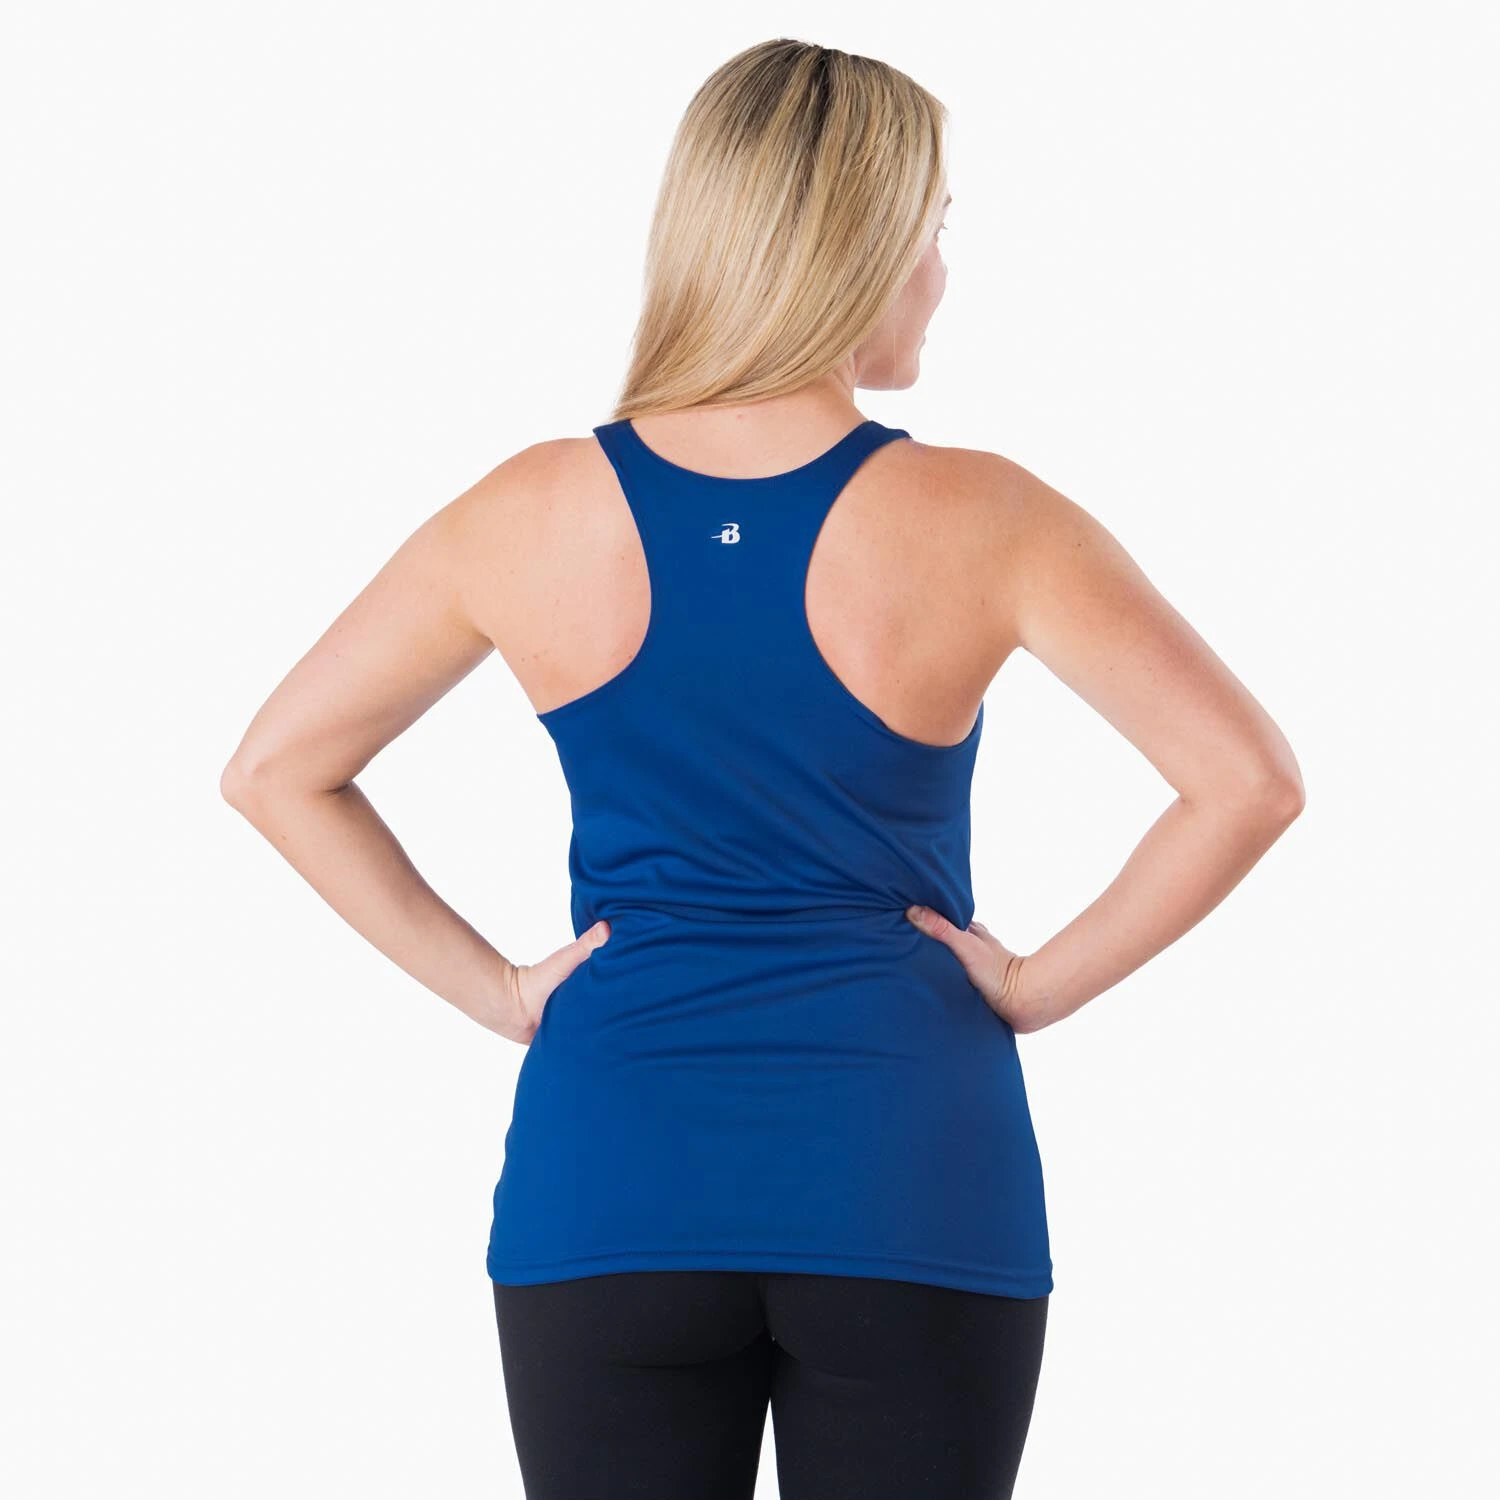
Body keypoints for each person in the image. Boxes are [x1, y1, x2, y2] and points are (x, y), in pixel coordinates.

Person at [221, 36, 1305, 1500]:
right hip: (907, 1175)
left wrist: (502, 993)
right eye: (934, 229)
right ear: (862, 244)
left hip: (613, 1176)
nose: (941, 271)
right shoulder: (984, 515)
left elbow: (278, 767)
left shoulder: (531, 510)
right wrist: (1032, 984)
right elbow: (1248, 780)